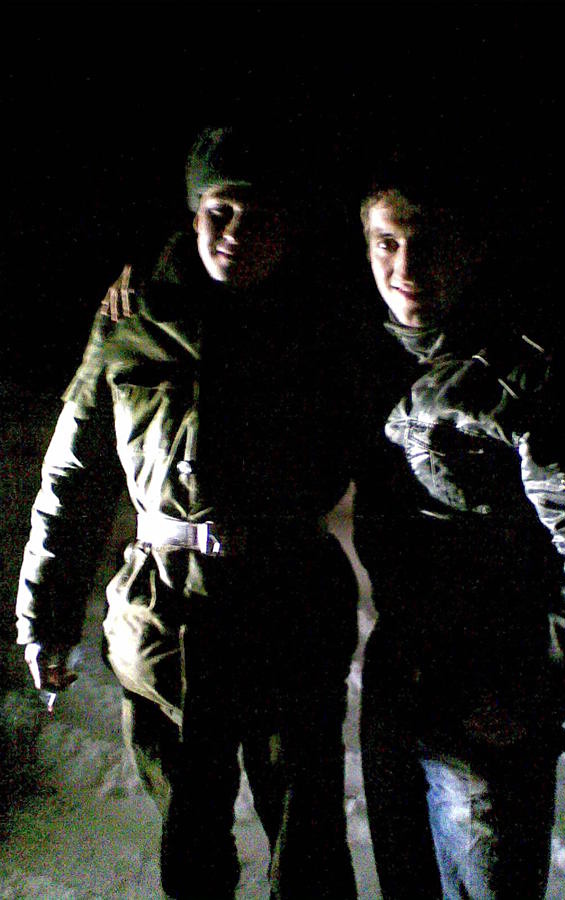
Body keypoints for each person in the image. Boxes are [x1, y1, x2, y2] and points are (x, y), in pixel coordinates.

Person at [16, 125, 358, 899]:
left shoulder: (328, 325)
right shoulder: (131, 319)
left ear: (290, 227)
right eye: (220, 210)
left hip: (290, 612)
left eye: (260, 216)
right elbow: (74, 477)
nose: (237, 233)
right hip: (166, 621)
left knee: (308, 848)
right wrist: (45, 616)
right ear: (193, 212)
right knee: (191, 844)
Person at [350, 166, 565, 899]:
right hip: (399, 678)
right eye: (386, 243)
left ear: (471, 251)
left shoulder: (520, 379)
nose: (405, 267)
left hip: (487, 695)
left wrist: (530, 691)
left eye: (428, 244)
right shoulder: (373, 359)